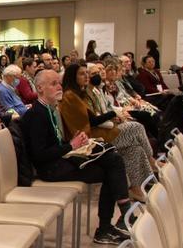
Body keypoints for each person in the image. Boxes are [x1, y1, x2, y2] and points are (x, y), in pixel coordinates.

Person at [21, 70, 133, 244]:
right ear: (40, 88)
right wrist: (71, 146)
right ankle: (116, 219)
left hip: (59, 161)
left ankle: (112, 223)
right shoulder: (36, 114)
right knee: (112, 165)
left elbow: (56, 144)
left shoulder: (49, 110)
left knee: (112, 159)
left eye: (59, 83)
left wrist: (74, 142)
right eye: (53, 84)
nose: (59, 87)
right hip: (50, 170)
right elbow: (40, 154)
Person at [59, 63, 154, 198]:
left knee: (135, 149)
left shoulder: (81, 93)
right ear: (72, 76)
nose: (86, 76)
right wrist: (114, 114)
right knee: (136, 127)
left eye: (87, 73)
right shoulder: (70, 95)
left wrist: (114, 115)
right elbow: (89, 122)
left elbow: (95, 116)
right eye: (82, 73)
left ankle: (136, 187)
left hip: (98, 130)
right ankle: (151, 160)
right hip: (89, 138)